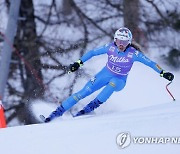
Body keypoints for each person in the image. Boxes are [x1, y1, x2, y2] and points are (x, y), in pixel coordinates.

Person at [44, 27, 174, 122]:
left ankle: (88, 109)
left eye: (124, 42)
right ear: (115, 40)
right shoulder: (110, 47)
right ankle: (56, 114)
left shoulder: (133, 54)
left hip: (119, 80)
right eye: (118, 41)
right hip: (104, 74)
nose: (121, 45)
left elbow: (151, 63)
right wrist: (78, 63)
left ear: (129, 42)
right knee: (82, 93)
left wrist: (163, 73)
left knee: (112, 84)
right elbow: (92, 53)